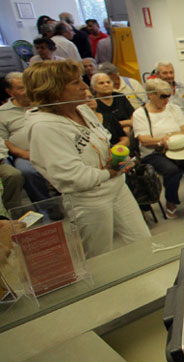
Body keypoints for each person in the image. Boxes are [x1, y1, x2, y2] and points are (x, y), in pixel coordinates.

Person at [24, 60, 150, 258]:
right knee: (100, 257)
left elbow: (103, 140)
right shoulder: (44, 128)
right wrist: (109, 172)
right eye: (75, 83)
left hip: (117, 187)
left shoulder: (81, 109)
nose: (84, 87)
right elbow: (71, 177)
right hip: (89, 200)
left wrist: (116, 159)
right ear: (53, 90)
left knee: (143, 240)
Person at [132, 78, 184, 219]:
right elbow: (144, 140)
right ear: (150, 95)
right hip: (154, 152)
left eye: (168, 95)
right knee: (172, 170)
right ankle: (171, 202)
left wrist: (168, 137)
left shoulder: (174, 109)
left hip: (179, 148)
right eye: (162, 96)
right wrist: (161, 141)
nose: (167, 99)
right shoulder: (140, 114)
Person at [1, 72, 49, 204]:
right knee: (27, 171)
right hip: (24, 154)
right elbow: (4, 141)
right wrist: (25, 154)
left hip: (52, 148)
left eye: (28, 86)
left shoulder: (44, 103)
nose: (27, 91)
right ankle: (48, 206)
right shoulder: (2, 112)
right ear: (10, 92)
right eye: (21, 88)